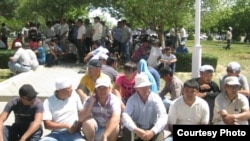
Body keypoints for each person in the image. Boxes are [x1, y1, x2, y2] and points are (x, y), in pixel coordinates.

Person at [121, 73, 168, 141]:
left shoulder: (156, 98)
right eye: (142, 87)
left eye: (147, 86)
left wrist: (153, 131)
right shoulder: (132, 99)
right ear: (137, 89)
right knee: (127, 128)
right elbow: (125, 115)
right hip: (137, 128)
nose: (145, 89)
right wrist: (136, 129)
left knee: (159, 133)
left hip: (153, 127)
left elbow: (163, 115)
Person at [78, 77, 121, 141]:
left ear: (109, 89)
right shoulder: (89, 99)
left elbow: (116, 118)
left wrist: (105, 135)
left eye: (105, 88)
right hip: (95, 129)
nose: (102, 91)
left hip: (108, 129)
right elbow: (81, 118)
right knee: (87, 122)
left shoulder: (114, 100)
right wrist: (91, 103)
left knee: (115, 125)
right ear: (95, 89)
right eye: (99, 88)